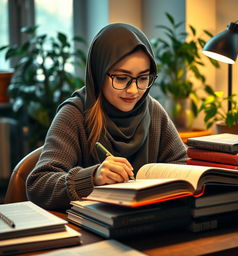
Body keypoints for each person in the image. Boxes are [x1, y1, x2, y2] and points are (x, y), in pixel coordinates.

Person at [26, 23, 187, 210]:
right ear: (99, 73)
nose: (134, 90)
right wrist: (92, 177)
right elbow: (38, 185)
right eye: (121, 78)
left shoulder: (154, 110)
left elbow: (181, 166)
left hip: (146, 224)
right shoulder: (74, 114)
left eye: (143, 78)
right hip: (87, 231)